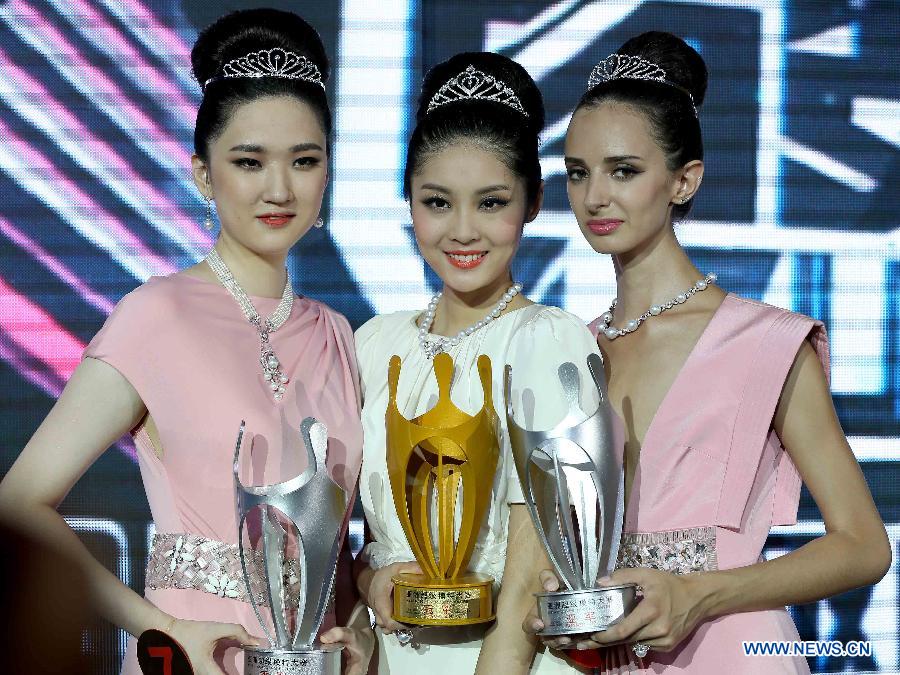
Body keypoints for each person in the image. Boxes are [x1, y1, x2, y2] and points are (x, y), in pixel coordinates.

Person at [0, 9, 373, 675]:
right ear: (203, 174)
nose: (279, 188)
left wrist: (359, 628)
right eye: (249, 161)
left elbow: (334, 545)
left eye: (304, 160)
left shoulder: (337, 333)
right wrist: (164, 626)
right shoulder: (156, 314)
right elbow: (18, 504)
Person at [523, 31, 891, 673]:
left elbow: (863, 546)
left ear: (684, 181)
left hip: (730, 649)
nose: (595, 197)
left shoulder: (765, 342)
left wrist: (697, 594)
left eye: (624, 171)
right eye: (577, 173)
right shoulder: (570, 348)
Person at [353, 52, 601, 674]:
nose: (463, 232)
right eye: (438, 203)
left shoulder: (550, 340)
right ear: (408, 201)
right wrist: (370, 582)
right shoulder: (372, 344)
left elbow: (531, 571)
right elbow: (361, 545)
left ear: (534, 200)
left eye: (491, 203)